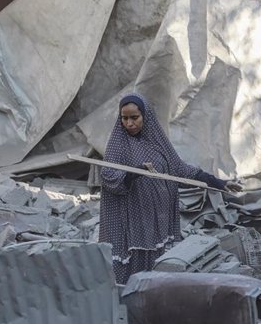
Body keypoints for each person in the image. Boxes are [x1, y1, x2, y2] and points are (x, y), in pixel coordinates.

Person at [99, 93, 240, 285]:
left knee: (156, 268)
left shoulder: (158, 142)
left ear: (145, 116)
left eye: (134, 117)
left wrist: (218, 182)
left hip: (158, 218)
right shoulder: (119, 144)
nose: (129, 123)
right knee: (132, 269)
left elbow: (179, 169)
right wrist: (133, 173)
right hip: (133, 219)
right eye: (125, 118)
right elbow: (109, 176)